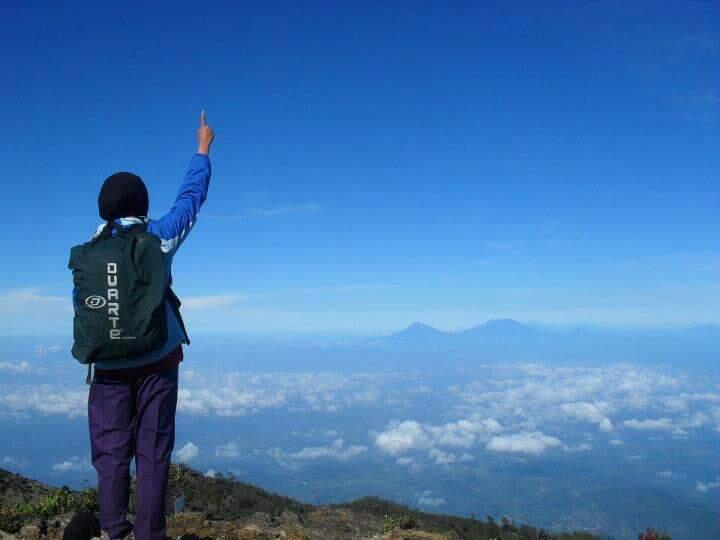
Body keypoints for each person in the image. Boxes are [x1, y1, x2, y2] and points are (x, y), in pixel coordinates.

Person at [85, 112, 214, 540]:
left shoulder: (91, 248)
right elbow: (190, 200)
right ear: (141, 206)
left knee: (110, 452)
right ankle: (149, 535)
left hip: (106, 368)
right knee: (153, 452)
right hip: (158, 363)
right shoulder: (157, 238)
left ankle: (111, 531)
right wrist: (202, 149)